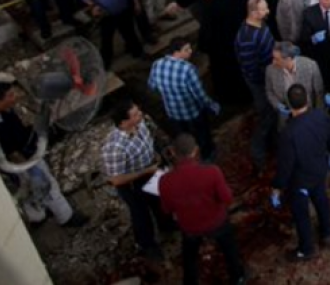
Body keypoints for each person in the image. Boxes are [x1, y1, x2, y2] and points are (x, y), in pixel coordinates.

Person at [0, 82, 88, 229]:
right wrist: (30, 168)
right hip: (22, 162)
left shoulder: (5, 111)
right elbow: (10, 151)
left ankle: (41, 215)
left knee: (37, 190)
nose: (15, 97)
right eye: (10, 95)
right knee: (48, 186)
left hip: (27, 154)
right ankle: (66, 218)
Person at [158, 134, 246, 285]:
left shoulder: (164, 181)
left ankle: (190, 281)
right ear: (195, 150)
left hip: (190, 227)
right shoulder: (212, 171)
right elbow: (227, 198)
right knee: (229, 249)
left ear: (172, 152)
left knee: (190, 257)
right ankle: (237, 277)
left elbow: (167, 209)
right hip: (217, 221)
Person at [271, 85, 330, 262]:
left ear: (289, 105)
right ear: (307, 99)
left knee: (301, 214)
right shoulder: (321, 116)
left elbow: (285, 165)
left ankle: (306, 249)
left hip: (300, 181)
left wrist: (277, 187)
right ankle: (326, 233)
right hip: (319, 170)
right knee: (321, 199)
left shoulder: (288, 133)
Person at [101, 100, 171, 261]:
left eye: (138, 111)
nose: (141, 114)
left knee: (158, 200)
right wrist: (146, 171)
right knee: (141, 214)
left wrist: (156, 157)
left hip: (150, 170)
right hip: (131, 184)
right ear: (123, 122)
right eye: (136, 114)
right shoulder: (114, 148)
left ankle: (167, 225)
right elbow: (117, 180)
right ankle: (147, 245)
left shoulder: (141, 123)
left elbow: (150, 142)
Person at [148, 38, 220, 159]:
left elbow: (152, 86)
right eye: (186, 49)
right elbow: (199, 94)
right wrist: (211, 105)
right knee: (202, 134)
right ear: (176, 52)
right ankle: (207, 154)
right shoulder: (188, 69)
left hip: (172, 111)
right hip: (192, 111)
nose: (191, 51)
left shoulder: (157, 64)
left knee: (184, 136)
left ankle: (189, 155)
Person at [235, 0, 277, 169]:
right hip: (260, 83)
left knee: (272, 113)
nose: (268, 11)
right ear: (253, 12)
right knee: (266, 115)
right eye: (264, 9)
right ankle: (257, 151)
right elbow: (250, 69)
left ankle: (273, 141)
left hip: (268, 76)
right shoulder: (246, 38)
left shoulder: (260, 24)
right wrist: (269, 81)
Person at [266, 41, 325, 129]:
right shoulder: (270, 70)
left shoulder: (311, 66)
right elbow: (269, 91)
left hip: (308, 113)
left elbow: (319, 93)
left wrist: (317, 117)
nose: (273, 62)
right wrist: (277, 105)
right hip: (286, 118)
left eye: (276, 59)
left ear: (288, 59)